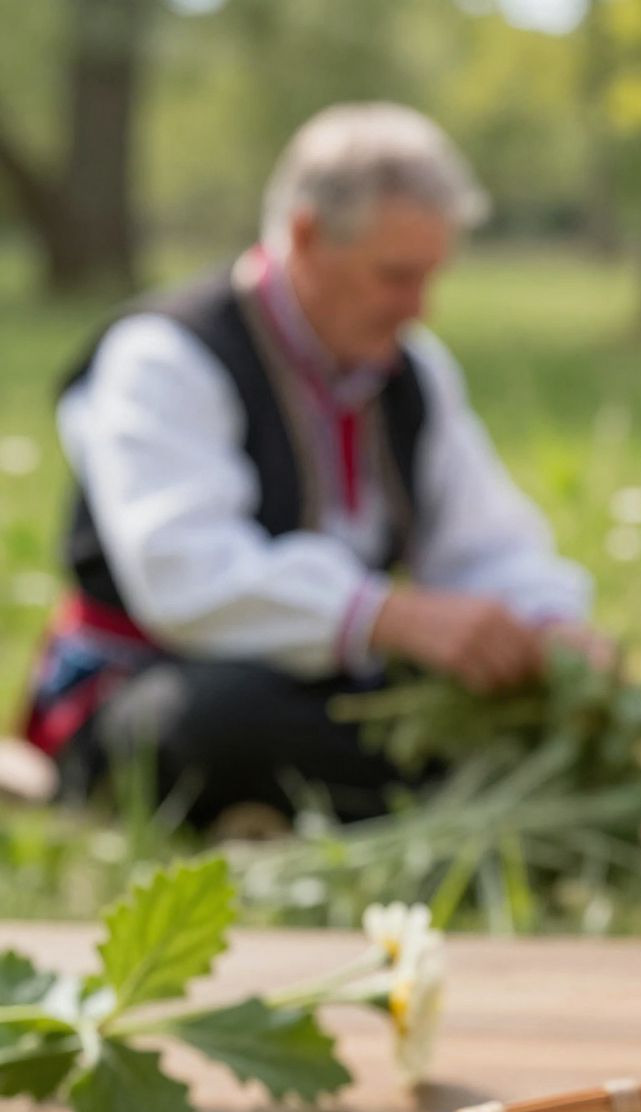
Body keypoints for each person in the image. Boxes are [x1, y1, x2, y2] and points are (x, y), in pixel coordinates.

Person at [24, 103, 603, 827]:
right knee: (218, 720)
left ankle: (398, 790)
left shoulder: (413, 369)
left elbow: (482, 538)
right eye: (395, 277)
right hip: (151, 679)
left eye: (430, 277)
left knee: (474, 708)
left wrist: (546, 624)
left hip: (329, 682)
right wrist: (385, 615)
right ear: (305, 237)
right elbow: (182, 573)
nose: (420, 307)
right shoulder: (167, 355)